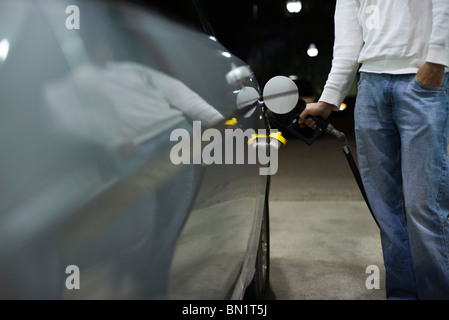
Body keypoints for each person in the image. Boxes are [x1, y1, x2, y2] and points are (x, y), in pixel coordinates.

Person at [299, 0, 449, 299]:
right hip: (370, 87)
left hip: (420, 83)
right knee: (386, 207)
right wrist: (329, 99)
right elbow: (347, 43)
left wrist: (437, 59)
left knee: (423, 204)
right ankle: (402, 295)